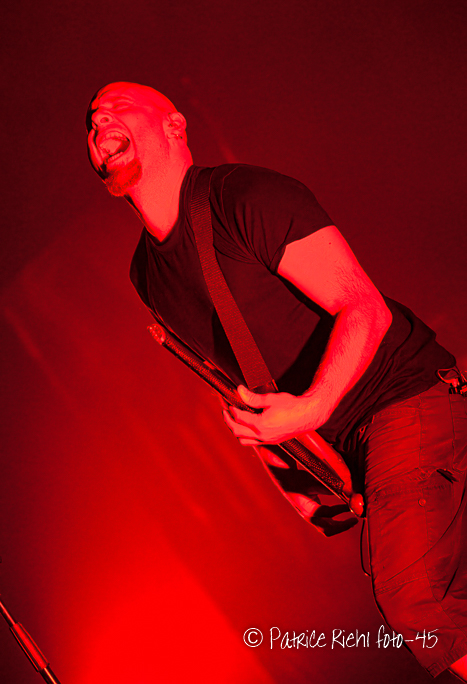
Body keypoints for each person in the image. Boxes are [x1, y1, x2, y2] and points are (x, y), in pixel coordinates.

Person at [86, 81, 467, 679]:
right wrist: (294, 472)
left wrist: (310, 409)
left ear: (175, 125)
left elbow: (364, 307)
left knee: (420, 602)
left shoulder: (244, 195)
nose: (98, 122)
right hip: (356, 447)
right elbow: (238, 385)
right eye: (91, 120)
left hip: (408, 399)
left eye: (117, 108)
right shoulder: (147, 275)